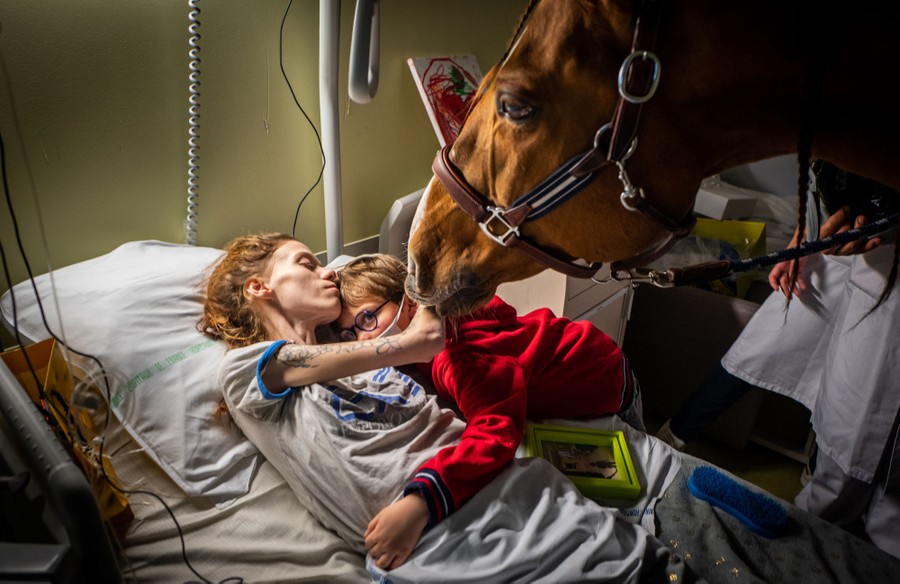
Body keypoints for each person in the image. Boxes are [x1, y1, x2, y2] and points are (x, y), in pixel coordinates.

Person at [199, 233, 680, 579]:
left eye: (366, 319)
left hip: (562, 454)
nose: (326, 270)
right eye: (306, 263)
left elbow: (452, 371)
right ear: (259, 287)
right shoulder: (245, 370)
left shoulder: (384, 363)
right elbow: (418, 345)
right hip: (460, 535)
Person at [334, 253, 645, 565]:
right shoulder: (446, 325)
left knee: (637, 478)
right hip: (582, 351)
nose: (363, 339)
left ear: (411, 303)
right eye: (351, 332)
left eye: (367, 319)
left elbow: (496, 430)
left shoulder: (457, 356)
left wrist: (421, 502)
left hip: (606, 377)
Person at [656, 161, 900, 559]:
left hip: (886, 266)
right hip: (830, 250)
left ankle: (820, 488)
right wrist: (799, 245)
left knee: (851, 396)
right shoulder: (830, 125)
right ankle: (675, 433)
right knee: (758, 347)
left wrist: (886, 232)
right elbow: (818, 187)